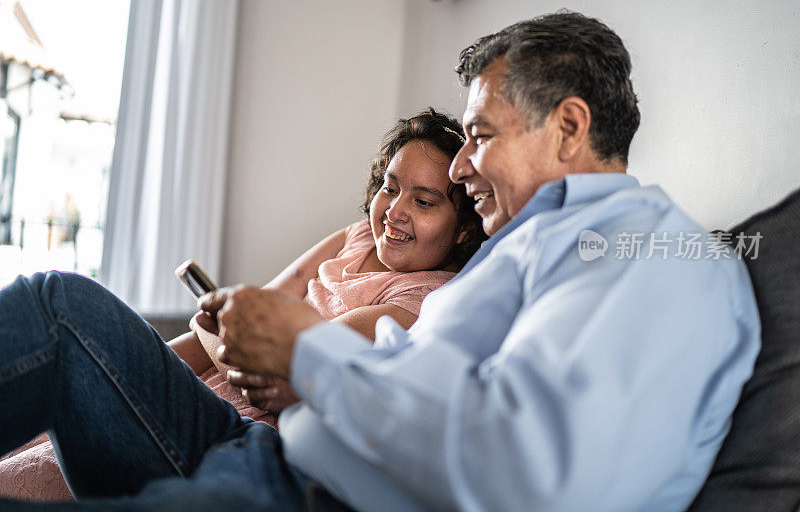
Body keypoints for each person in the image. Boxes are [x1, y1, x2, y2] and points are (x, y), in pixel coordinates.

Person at [0, 12, 760, 512]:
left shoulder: (651, 254)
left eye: (479, 136)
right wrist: (302, 369)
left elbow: (536, 476)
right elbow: (447, 389)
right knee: (56, 305)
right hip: (277, 453)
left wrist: (311, 355)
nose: (462, 167)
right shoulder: (536, 244)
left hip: (313, 493)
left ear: (568, 127)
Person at [0, 109, 485, 501]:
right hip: (202, 386)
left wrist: (223, 328)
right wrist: (137, 362)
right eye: (390, 187)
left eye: (424, 202)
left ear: (463, 226)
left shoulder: (422, 299)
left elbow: (269, 368)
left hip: (244, 431)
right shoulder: (356, 238)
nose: (395, 210)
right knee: (54, 365)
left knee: (41, 446)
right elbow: (255, 308)